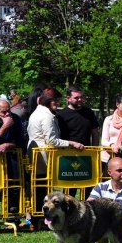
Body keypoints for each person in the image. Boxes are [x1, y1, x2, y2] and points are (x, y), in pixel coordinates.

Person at [27, 88, 84, 219]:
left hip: (37, 155)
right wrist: (71, 143)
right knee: (42, 188)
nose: (58, 103)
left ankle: (38, 218)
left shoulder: (38, 112)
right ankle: (40, 217)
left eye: (58, 100)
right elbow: (52, 140)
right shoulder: (46, 115)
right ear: (47, 100)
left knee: (39, 188)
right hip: (43, 155)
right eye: (55, 100)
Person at [57, 85, 100, 199]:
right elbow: (59, 137)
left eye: (81, 97)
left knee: (88, 187)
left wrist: (94, 150)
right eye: (76, 98)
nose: (80, 100)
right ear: (68, 98)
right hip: (69, 156)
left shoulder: (88, 112)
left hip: (87, 155)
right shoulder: (61, 115)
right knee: (69, 191)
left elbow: (95, 132)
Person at [0, 97, 26, 215]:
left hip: (12, 157)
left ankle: (12, 216)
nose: (7, 114)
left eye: (9, 110)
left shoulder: (15, 118)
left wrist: (7, 144)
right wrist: (5, 126)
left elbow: (21, 141)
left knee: (14, 186)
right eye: (3, 112)